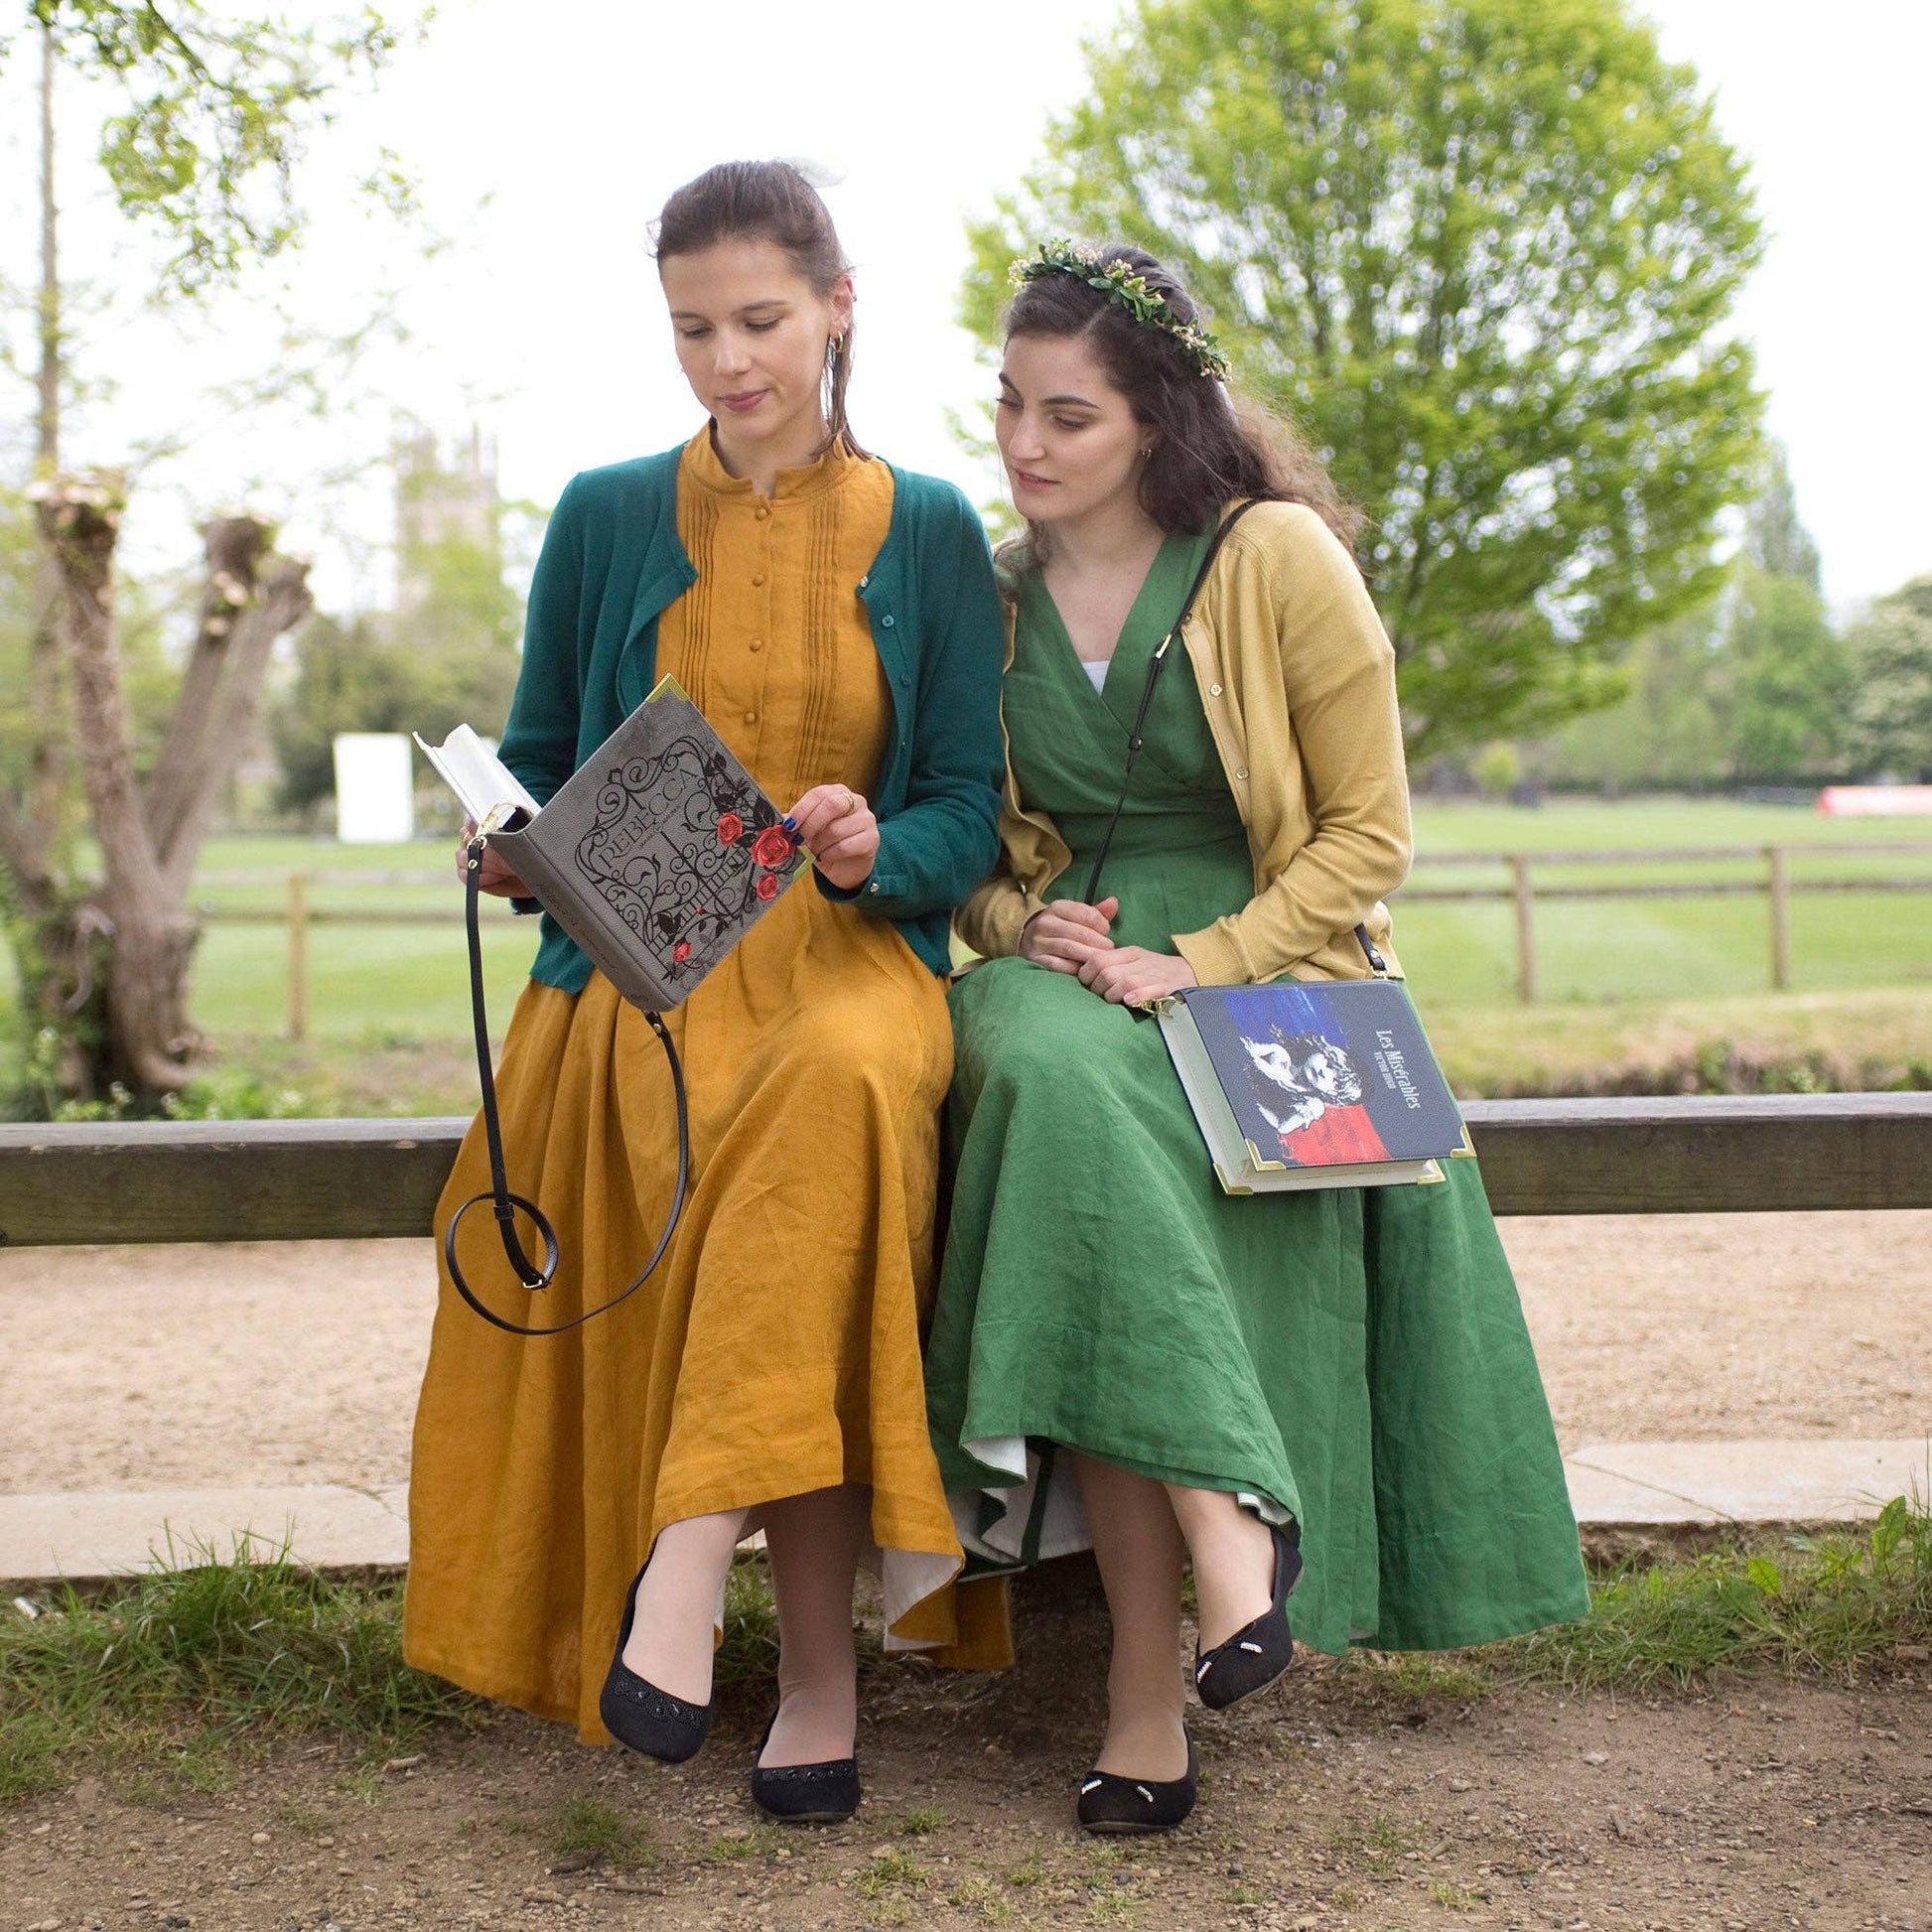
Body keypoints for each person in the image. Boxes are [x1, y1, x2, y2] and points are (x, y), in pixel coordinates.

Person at [924, 240, 1587, 1835]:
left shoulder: (1276, 556)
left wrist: (1197, 960)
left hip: (1266, 965)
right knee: (1037, 1066)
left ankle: (1153, 1688)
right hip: (1064, 968)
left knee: (1089, 1144)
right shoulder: (988, 595)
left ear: (1154, 417)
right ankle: (1230, 1538)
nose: (1023, 445)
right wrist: (1029, 931)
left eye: (1066, 416)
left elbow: (1367, 837)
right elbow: (967, 846)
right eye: (1007, 405)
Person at [403, 161, 1007, 1827]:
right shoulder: (604, 511)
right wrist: (509, 844)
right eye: (691, 329)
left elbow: (965, 802)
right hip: (645, 967)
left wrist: (876, 837)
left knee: (829, 1095)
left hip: (848, 958)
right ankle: (811, 1678)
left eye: (757, 320)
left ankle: (687, 1578)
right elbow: (535, 750)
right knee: (786, 1196)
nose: (727, 360)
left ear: (836, 302)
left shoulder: (935, 525)